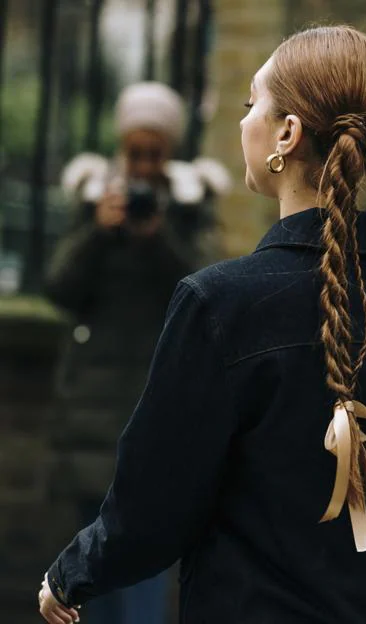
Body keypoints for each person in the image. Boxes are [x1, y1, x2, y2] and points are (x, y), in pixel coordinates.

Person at [38, 26, 366, 624]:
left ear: (287, 133)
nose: (242, 121)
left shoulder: (219, 304)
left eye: (252, 103)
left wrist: (70, 575)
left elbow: (155, 505)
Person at [43, 82, 230, 624]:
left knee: (146, 563)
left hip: (156, 404)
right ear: (121, 149)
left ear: (169, 152)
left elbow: (205, 288)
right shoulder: (92, 203)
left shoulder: (191, 208)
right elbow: (58, 286)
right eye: (135, 153)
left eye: (155, 153)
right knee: (90, 575)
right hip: (92, 411)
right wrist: (97, 233)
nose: (144, 167)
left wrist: (159, 234)